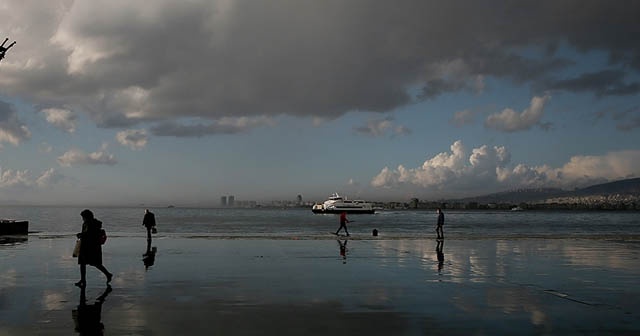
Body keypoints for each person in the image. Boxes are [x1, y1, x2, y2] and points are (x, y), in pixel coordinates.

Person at [76, 209, 113, 287]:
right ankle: (83, 280)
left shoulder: (90, 224)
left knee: (94, 263)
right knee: (85, 263)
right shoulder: (92, 223)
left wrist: (81, 235)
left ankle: (108, 274)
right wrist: (82, 235)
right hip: (90, 246)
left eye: (83, 217)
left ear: (86, 216)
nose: (82, 218)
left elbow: (89, 234)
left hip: (90, 246)